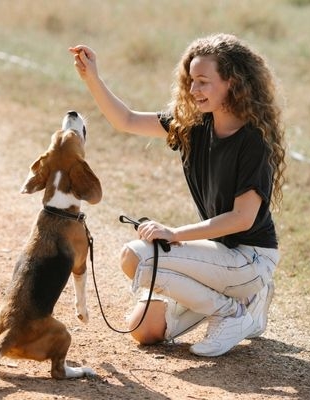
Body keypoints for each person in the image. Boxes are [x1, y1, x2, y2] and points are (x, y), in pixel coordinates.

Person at [69, 33, 286, 357]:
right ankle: (243, 307)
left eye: (203, 81)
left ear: (232, 81)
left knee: (135, 256)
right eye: (190, 81)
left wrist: (174, 234)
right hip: (219, 256)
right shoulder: (193, 126)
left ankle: (233, 312)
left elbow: (242, 218)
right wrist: (93, 78)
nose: (193, 90)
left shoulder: (253, 141)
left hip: (250, 259)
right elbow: (126, 120)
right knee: (144, 329)